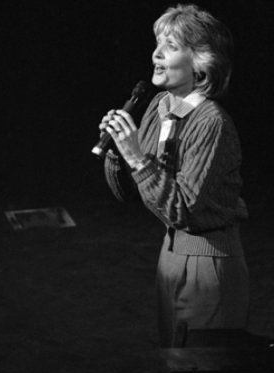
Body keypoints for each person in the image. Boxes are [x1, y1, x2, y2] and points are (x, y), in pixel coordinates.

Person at [99, 4, 250, 347]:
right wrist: (117, 150)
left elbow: (183, 209)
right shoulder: (158, 106)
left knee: (204, 372)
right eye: (157, 43)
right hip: (169, 255)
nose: (156, 53)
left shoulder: (212, 122)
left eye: (171, 46)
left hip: (208, 261)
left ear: (201, 62)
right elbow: (133, 192)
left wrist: (137, 156)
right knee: (173, 369)